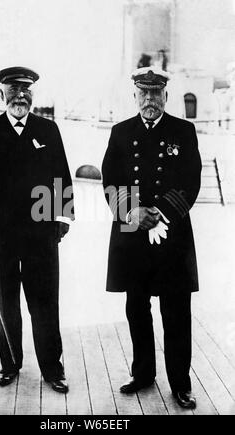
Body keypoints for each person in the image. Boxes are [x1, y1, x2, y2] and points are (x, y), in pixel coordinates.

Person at [0, 66, 74, 393]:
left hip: (42, 235)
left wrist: (64, 218)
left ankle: (53, 369)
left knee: (44, 304)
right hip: (1, 235)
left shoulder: (48, 130)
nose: (20, 95)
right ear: (2, 95)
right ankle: (10, 363)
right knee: (7, 303)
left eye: (26, 89)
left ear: (33, 94)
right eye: (13, 89)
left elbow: (62, 178)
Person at [102, 67, 201, 409]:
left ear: (165, 96)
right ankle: (143, 373)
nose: (149, 99)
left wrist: (159, 212)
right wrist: (132, 212)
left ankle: (180, 384)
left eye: (155, 94)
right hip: (132, 236)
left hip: (171, 236)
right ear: (134, 97)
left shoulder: (184, 132)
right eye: (143, 93)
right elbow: (110, 182)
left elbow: (191, 182)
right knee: (137, 309)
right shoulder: (120, 133)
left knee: (176, 312)